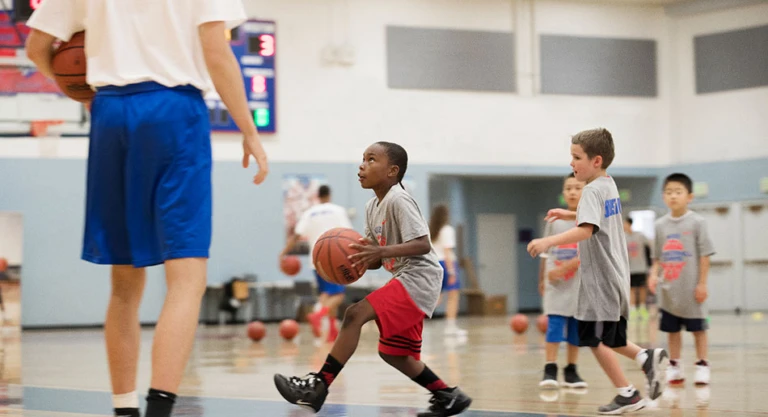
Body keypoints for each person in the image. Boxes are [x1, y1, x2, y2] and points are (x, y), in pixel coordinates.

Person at [25, 1, 268, 416]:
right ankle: (158, 410)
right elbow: (215, 48)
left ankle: (124, 409)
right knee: (187, 277)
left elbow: (36, 47)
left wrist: (79, 89)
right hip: (174, 112)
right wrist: (249, 130)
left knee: (124, 284)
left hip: (110, 112)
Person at [274, 142, 472, 416]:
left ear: (392, 171)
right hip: (406, 277)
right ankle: (448, 395)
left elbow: (422, 244)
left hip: (419, 277)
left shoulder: (398, 199)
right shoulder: (371, 206)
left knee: (355, 314)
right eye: (362, 159)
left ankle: (318, 386)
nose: (362, 165)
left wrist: (381, 251)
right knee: (393, 353)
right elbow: (377, 257)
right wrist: (357, 260)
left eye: (371, 159)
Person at [527, 128, 667, 415]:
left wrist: (548, 240)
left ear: (596, 160)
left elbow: (587, 229)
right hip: (612, 275)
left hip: (601, 279)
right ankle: (640, 369)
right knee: (603, 337)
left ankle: (633, 382)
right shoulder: (607, 184)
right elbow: (596, 217)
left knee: (595, 337)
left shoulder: (590, 189)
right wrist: (568, 214)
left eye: (576, 157)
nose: (571, 163)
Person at [648, 173, 714, 386]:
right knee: (672, 331)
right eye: (668, 192)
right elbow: (657, 257)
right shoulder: (659, 225)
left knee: (698, 330)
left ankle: (702, 365)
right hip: (668, 288)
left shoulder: (697, 222)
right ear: (663, 196)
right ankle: (675, 366)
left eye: (678, 192)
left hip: (692, 289)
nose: (673, 196)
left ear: (690, 196)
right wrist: (653, 274)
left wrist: (702, 283)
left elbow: (705, 255)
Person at [280, 185, 352, 342]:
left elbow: (297, 235)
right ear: (329, 195)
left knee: (327, 294)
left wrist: (284, 253)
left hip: (317, 258)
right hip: (336, 256)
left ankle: (332, 330)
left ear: (318, 196)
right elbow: (348, 234)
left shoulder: (309, 213)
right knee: (338, 295)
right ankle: (318, 315)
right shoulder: (338, 210)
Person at [537, 173, 587, 389]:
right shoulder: (554, 221)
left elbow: (588, 255)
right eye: (568, 188)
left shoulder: (588, 220)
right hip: (555, 284)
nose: (572, 192)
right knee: (554, 326)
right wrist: (542, 278)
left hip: (579, 285)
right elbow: (545, 253)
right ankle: (550, 368)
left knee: (576, 329)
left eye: (577, 188)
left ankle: (571, 370)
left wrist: (566, 267)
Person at [429, 204, 467, 337]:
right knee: (453, 296)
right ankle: (451, 327)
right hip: (446, 264)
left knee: (436, 297)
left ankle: (413, 320)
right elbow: (447, 251)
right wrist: (451, 272)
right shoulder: (447, 230)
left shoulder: (432, 230)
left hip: (434, 263)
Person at [624, 217, 651, 322]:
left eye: (625, 224)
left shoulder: (640, 235)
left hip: (641, 267)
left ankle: (643, 308)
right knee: (631, 289)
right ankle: (633, 309)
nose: (623, 226)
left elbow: (649, 248)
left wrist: (649, 264)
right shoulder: (623, 237)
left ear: (629, 224)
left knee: (642, 288)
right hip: (629, 269)